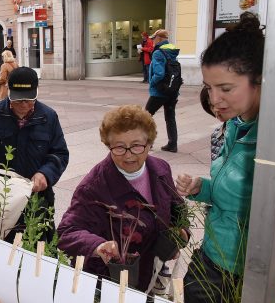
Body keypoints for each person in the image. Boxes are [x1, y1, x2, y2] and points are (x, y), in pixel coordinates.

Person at [175, 13, 267, 303]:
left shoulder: (273, 140)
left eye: (226, 88)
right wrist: (203, 187)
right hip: (214, 256)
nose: (215, 100)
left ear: (260, 79)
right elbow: (235, 192)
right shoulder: (234, 126)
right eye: (208, 88)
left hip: (256, 273)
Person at [57, 105, 188, 291]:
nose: (128, 155)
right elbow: (67, 232)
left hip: (152, 273)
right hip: (111, 281)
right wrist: (99, 245)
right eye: (119, 147)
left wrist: (181, 234)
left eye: (136, 146)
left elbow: (177, 209)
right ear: (108, 145)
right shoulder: (95, 185)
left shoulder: (160, 169)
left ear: (149, 143)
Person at [0, 67, 69, 242]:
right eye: (18, 99)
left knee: (39, 252)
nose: (23, 104)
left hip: (37, 199)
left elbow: (60, 153)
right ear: (8, 92)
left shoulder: (48, 116)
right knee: (3, 251)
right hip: (2, 200)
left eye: (29, 99)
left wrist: (45, 173)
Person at [145, 29, 180, 153]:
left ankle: (148, 142)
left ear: (159, 38)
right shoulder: (172, 51)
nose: (152, 40)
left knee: (145, 116)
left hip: (159, 92)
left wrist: (152, 82)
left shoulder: (158, 53)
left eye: (154, 38)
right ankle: (172, 144)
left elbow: (159, 73)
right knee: (170, 117)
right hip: (172, 90)